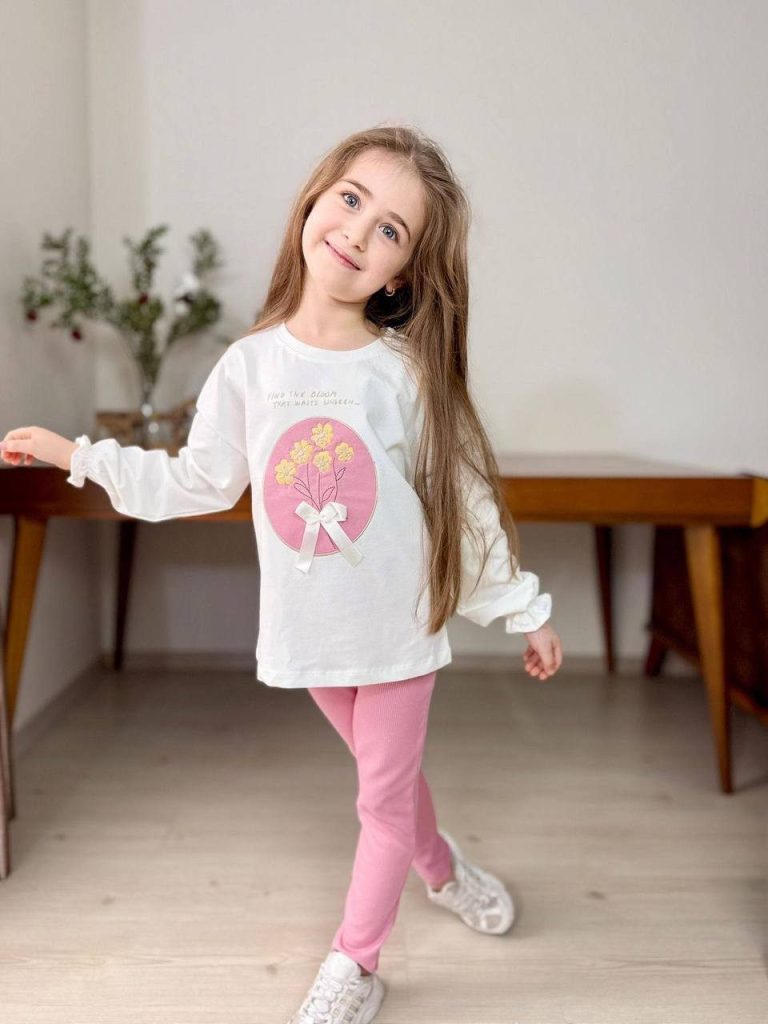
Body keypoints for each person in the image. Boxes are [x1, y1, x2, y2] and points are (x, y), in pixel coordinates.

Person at [2, 123, 563, 1024]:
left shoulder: (401, 374)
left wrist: (521, 608)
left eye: (390, 229)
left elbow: (462, 498)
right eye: (352, 200)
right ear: (313, 201)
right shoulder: (249, 367)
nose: (358, 231)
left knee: (379, 796)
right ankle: (441, 867)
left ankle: (356, 963)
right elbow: (194, 483)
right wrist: (79, 456)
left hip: (400, 624)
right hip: (315, 630)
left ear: (401, 275)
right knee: (388, 781)